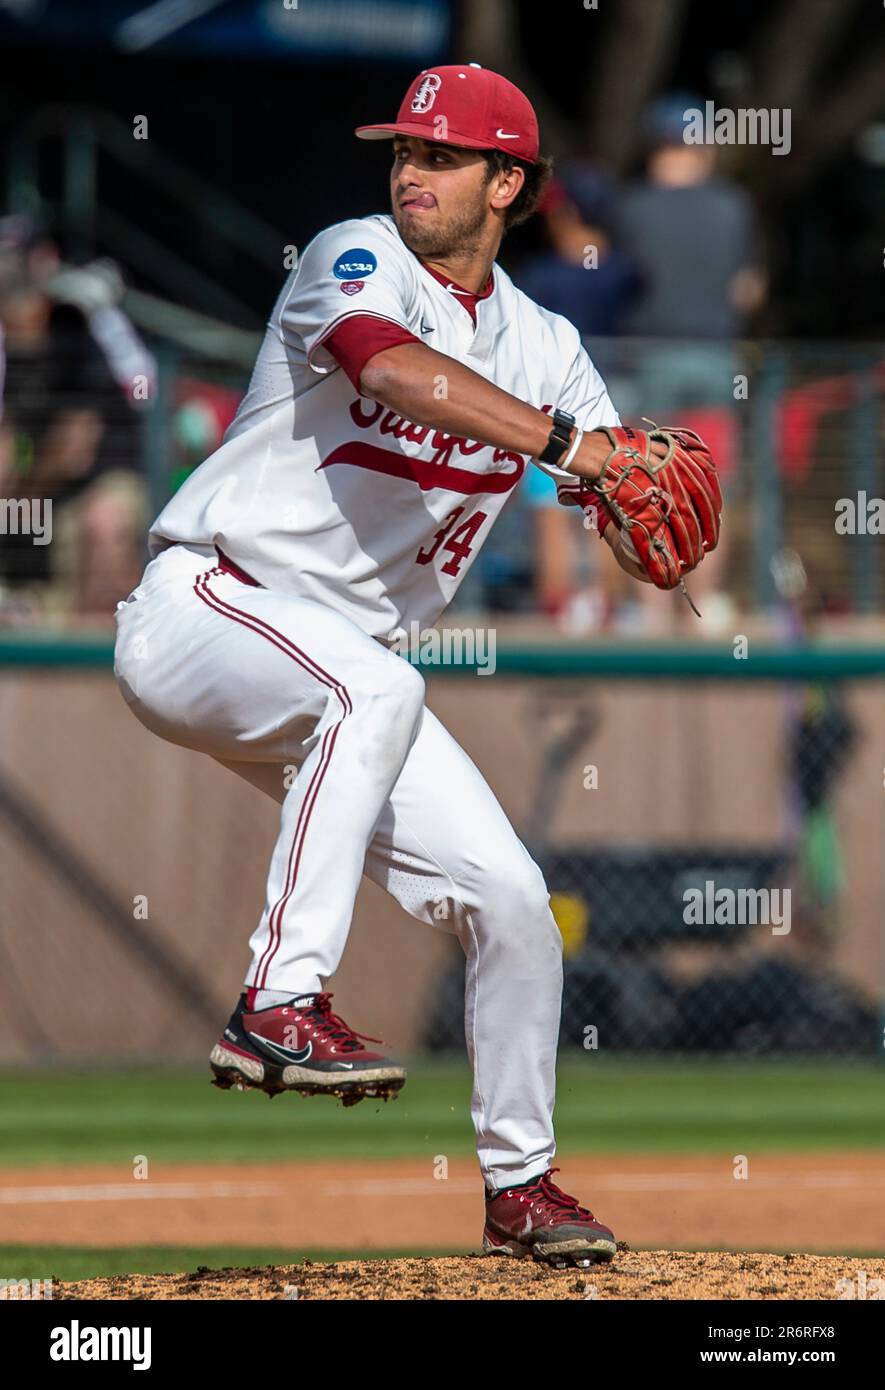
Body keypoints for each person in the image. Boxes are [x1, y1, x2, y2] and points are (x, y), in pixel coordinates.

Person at [113, 65, 719, 1268]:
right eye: (402, 150)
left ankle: (521, 1184)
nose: (410, 173)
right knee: (375, 687)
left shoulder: (548, 343)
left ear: (509, 184)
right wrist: (568, 447)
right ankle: (277, 1001)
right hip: (207, 610)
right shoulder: (355, 256)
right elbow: (392, 371)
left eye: (440, 156)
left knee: (514, 904)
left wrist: (641, 507)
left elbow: (632, 502)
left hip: (339, 683)